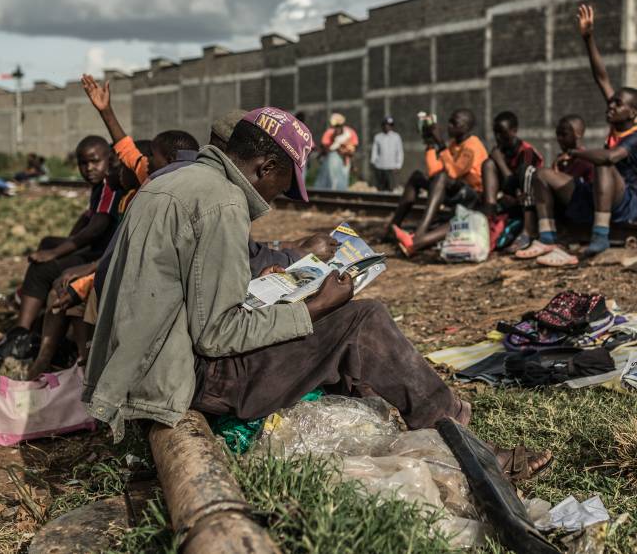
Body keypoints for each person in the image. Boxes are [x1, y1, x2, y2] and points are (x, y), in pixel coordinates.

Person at [84, 108, 474, 444]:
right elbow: (217, 335)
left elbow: (181, 291)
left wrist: (259, 287)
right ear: (265, 167)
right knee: (363, 319)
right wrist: (316, 307)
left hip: (143, 364)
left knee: (335, 327)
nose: (276, 198)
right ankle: (455, 431)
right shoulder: (224, 203)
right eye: (282, 187)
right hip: (183, 378)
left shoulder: (172, 181)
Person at [518, 3, 637, 267]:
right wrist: (588, 38)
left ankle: (600, 235)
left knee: (603, 161)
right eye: (611, 102)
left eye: (618, 104)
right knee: (542, 175)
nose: (611, 106)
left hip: (624, 202)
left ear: (632, 113)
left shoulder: (634, 138)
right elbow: (601, 77)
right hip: (597, 193)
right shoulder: (616, 122)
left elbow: (610, 157)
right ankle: (547, 237)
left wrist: (575, 152)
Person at [8, 136, 121, 342]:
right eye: (83, 163)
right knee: (47, 242)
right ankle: (34, 307)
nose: (89, 168)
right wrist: (61, 246)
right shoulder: (99, 186)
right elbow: (87, 218)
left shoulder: (109, 185)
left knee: (42, 269)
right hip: (98, 249)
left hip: (102, 255)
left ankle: (21, 333)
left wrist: (56, 253)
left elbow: (95, 229)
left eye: (95, 161)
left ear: (109, 160)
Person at [387, 108, 488, 256]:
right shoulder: (454, 144)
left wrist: (441, 144)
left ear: (466, 127)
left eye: (454, 123)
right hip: (455, 189)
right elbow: (434, 171)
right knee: (417, 177)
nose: (449, 126)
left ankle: (419, 233)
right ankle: (392, 227)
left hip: (472, 195)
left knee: (442, 177)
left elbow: (453, 173)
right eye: (449, 122)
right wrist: (430, 145)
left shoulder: (472, 146)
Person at [481, 111, 543, 248]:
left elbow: (523, 183)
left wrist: (500, 161)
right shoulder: (501, 151)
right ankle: (489, 219)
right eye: (495, 132)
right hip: (507, 202)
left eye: (502, 132)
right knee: (488, 164)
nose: (498, 137)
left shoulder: (526, 152)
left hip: (528, 204)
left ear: (514, 131)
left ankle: (527, 231)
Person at [315, 113, 359, 190]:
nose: (337, 129)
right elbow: (324, 147)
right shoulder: (330, 132)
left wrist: (344, 150)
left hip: (345, 160)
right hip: (332, 160)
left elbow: (353, 149)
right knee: (332, 179)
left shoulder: (349, 132)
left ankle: (339, 195)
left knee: (342, 180)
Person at [370, 116, 403, 192]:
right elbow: (374, 151)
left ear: (392, 126)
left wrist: (398, 165)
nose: (387, 127)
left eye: (389, 125)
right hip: (380, 166)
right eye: (385, 124)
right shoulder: (378, 137)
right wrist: (373, 162)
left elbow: (399, 151)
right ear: (382, 125)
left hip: (392, 167)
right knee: (381, 189)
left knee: (392, 188)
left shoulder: (396, 137)